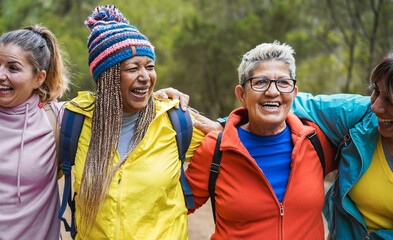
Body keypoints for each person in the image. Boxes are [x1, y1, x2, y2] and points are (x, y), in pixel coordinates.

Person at [65, 5, 204, 239]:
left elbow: (235, 136)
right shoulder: (74, 121)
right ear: (107, 77)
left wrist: (195, 115)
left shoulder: (174, 121)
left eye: (150, 67)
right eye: (133, 68)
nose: (145, 77)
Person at [184, 41, 336, 239]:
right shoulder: (216, 148)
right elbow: (172, 208)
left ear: (294, 93)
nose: (272, 92)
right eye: (260, 82)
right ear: (241, 95)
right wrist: (155, 107)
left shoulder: (316, 141)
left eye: (283, 82)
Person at [291, 53, 393, 239]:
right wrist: (227, 123)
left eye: (391, 100)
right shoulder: (361, 116)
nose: (376, 107)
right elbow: (287, 103)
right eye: (377, 91)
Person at [0, 25, 69, 239]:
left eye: (13, 68)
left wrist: (156, 98)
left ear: (39, 78)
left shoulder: (57, 118)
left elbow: (119, 112)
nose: (1, 75)